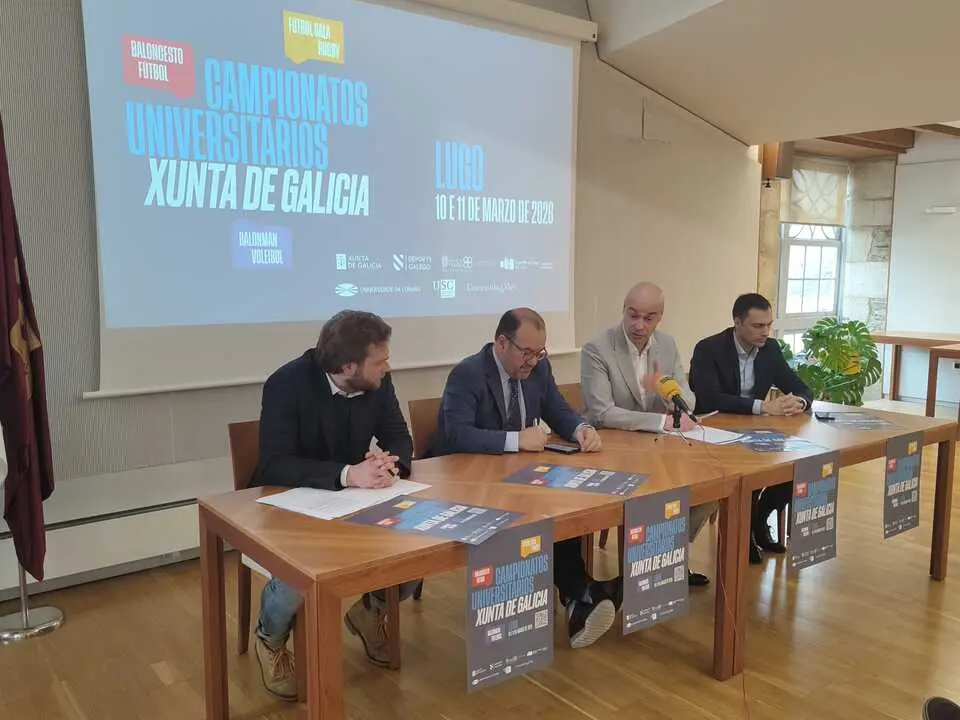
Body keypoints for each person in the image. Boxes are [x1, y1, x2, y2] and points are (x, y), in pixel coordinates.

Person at [249, 310, 419, 700]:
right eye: (380, 361)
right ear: (347, 367)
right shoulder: (286, 383)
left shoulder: (378, 380)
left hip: (354, 500)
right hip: (290, 501)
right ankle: (270, 638)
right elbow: (274, 464)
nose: (388, 367)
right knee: (297, 576)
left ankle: (371, 611)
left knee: (417, 544)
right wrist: (347, 474)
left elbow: (398, 435)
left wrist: (389, 464)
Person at [429, 308, 618, 649]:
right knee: (539, 511)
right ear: (501, 343)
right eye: (526, 352)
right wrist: (516, 440)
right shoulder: (468, 373)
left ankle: (581, 595)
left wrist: (581, 429)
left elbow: (557, 409)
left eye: (539, 352)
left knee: (561, 504)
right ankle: (583, 593)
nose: (533, 361)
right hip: (470, 483)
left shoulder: (539, 369)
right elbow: (457, 434)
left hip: (520, 478)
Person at [580, 281, 716, 586]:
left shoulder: (666, 345)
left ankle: (668, 553)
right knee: (652, 491)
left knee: (711, 483)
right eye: (633, 315)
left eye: (648, 318)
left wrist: (668, 392)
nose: (639, 325)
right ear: (623, 311)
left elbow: (688, 399)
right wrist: (660, 422)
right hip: (612, 451)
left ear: (660, 317)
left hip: (659, 449)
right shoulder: (597, 348)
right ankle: (654, 565)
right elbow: (602, 412)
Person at [688, 292, 813, 563]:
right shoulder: (709, 349)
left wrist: (799, 402)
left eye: (768, 325)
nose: (765, 332)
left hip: (755, 432)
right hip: (714, 434)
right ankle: (744, 535)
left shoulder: (770, 349)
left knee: (798, 464)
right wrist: (762, 406)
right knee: (750, 474)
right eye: (757, 326)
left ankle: (759, 519)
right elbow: (708, 398)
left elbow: (799, 386)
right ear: (737, 322)